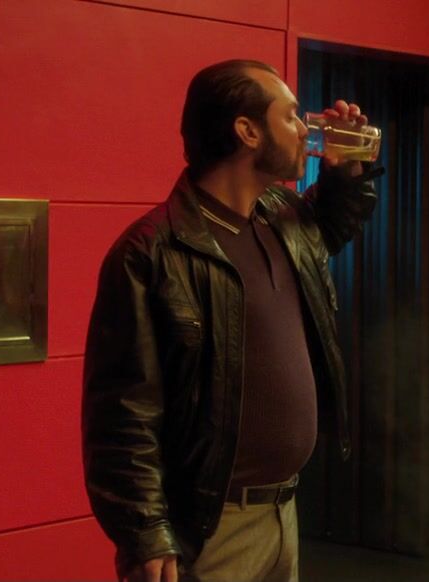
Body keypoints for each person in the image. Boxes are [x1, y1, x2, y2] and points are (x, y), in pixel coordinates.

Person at [82, 59, 381, 582]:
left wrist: (345, 170)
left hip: (282, 515)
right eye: (290, 116)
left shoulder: (282, 217)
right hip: (208, 530)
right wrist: (145, 531)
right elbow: (123, 414)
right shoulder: (152, 252)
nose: (304, 129)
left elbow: (332, 224)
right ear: (247, 131)